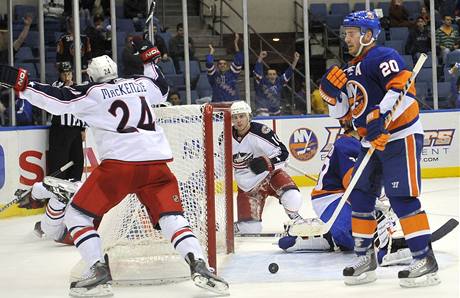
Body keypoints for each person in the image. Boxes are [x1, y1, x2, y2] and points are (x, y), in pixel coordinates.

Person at [0, 54, 228, 296]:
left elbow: (57, 100)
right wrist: (150, 61)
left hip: (119, 167)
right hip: (157, 165)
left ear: (91, 76)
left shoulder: (93, 93)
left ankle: (98, 273)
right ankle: (200, 265)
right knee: (171, 218)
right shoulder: (140, 84)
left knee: (77, 216)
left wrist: (21, 82)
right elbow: (162, 89)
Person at [319, 10, 439, 288]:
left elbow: (403, 91)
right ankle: (365, 258)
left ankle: (424, 259)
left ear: (368, 35)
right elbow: (344, 114)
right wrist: (330, 96)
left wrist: (381, 116)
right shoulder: (348, 70)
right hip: (369, 141)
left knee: (402, 198)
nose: (346, 38)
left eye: (351, 33)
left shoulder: (384, 56)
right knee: (361, 199)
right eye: (346, 33)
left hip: (399, 137)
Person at [231, 101, 303, 235]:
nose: (238, 120)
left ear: (249, 116)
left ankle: (294, 217)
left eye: (241, 116)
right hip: (248, 187)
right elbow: (219, 163)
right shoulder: (225, 138)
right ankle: (239, 226)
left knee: (293, 198)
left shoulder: (261, 132)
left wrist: (267, 163)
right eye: (235, 117)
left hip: (270, 176)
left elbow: (283, 154)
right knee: (250, 231)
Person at [49, 62, 86, 181]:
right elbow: (56, 98)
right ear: (60, 74)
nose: (67, 77)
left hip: (75, 130)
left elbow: (81, 108)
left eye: (69, 73)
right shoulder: (55, 86)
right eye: (64, 74)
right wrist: (66, 85)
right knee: (59, 162)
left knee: (77, 161)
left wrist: (82, 128)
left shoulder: (77, 86)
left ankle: (74, 187)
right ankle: (56, 190)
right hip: (60, 130)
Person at [253, 51, 300, 116]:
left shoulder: (279, 82)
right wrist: (260, 57)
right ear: (267, 76)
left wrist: (295, 60)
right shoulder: (262, 81)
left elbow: (288, 73)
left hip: (275, 110)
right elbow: (257, 71)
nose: (272, 76)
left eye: (274, 74)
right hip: (263, 109)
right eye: (270, 74)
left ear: (276, 75)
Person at [206, 33, 243, 102]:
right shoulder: (213, 75)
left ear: (227, 66)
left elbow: (239, 60)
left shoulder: (233, 74)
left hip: (232, 104)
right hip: (217, 104)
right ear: (217, 66)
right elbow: (209, 63)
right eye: (220, 64)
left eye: (224, 64)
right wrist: (211, 52)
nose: (222, 65)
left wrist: (235, 43)